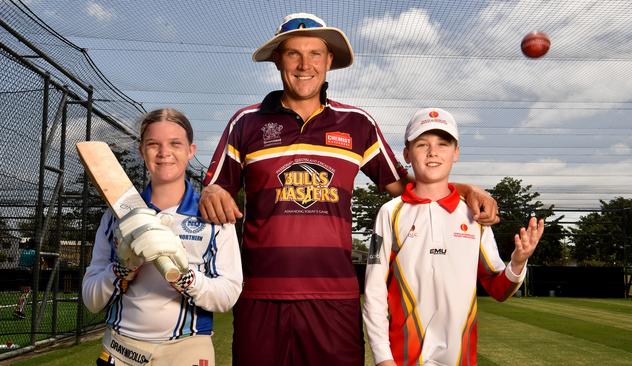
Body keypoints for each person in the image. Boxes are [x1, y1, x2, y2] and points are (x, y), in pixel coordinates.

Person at [199, 13, 499, 366]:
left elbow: (403, 187)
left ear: (329, 62)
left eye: (315, 54)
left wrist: (465, 189)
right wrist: (211, 193)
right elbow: (214, 189)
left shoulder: (357, 124)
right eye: (294, 53)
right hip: (261, 295)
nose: (304, 64)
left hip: (335, 297)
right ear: (279, 59)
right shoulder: (245, 122)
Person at [363, 107, 545, 366]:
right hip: (403, 358)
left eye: (443, 144)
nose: (433, 152)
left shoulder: (474, 215)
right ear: (406, 153)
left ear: (456, 152)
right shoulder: (389, 214)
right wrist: (383, 358)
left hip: (460, 358)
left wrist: (517, 262)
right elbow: (374, 291)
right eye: (422, 144)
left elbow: (499, 289)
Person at [82, 108, 242, 366]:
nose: (164, 152)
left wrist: (185, 277)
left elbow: (228, 294)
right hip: (120, 350)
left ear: (191, 150)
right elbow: (91, 299)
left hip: (187, 349)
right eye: (153, 144)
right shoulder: (115, 217)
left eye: (175, 144)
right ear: (141, 150)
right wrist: (123, 270)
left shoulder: (213, 216)